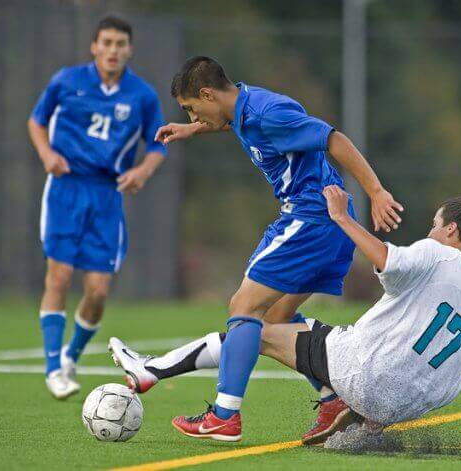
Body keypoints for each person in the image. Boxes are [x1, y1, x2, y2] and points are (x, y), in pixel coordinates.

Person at [111, 187, 461, 449]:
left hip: (365, 375)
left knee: (255, 328)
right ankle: (333, 402)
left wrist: (341, 218)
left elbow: (386, 258)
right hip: (399, 408)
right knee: (291, 321)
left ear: (450, 230)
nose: (430, 232)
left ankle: (157, 375)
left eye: (433, 225)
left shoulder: (435, 252)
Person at [150, 56, 404, 442]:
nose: (192, 115)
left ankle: (224, 416)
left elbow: (334, 139)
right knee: (276, 321)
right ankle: (335, 399)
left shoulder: (268, 114)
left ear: (206, 93)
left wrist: (376, 191)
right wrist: (192, 129)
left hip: (310, 218)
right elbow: (229, 122)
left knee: (243, 309)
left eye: (191, 108)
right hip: (323, 222)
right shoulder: (242, 109)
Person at [28, 16, 167, 400]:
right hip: (65, 189)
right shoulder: (66, 81)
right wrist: (46, 153)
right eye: (106, 42)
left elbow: (158, 143)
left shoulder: (141, 95)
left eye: (120, 43)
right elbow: (37, 121)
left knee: (98, 290)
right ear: (94, 46)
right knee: (57, 278)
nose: (113, 50)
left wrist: (143, 171)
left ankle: (72, 354)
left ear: (130, 49)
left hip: (107, 194)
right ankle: (54, 368)